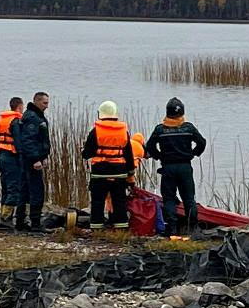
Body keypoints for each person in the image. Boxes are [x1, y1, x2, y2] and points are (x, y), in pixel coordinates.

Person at [145, 97, 206, 236]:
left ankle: (171, 229)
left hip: (168, 168)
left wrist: (159, 156)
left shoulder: (160, 130)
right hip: (185, 167)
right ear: (182, 113)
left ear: (167, 113)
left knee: (169, 199)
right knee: (189, 198)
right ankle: (192, 229)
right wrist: (193, 154)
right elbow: (202, 143)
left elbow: (150, 146)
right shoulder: (189, 128)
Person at [82, 101, 135, 231]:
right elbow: (129, 154)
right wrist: (130, 173)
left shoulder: (95, 131)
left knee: (97, 202)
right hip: (119, 172)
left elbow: (87, 154)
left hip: (100, 172)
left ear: (101, 114)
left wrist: (83, 151)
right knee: (119, 201)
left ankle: (97, 228)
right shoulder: (124, 131)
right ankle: (121, 228)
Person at [15, 92, 51, 232]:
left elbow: (40, 140)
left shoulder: (36, 116)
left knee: (24, 190)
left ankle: (20, 221)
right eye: (44, 103)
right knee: (37, 191)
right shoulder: (32, 117)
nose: (47, 106)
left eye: (47, 103)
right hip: (31, 161)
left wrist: (44, 156)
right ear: (36, 102)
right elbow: (28, 141)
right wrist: (36, 159)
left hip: (32, 159)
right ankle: (35, 224)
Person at [0, 96, 24, 221]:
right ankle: (6, 218)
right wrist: (22, 157)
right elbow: (17, 142)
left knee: (6, 187)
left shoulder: (3, 120)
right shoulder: (15, 121)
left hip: (2, 156)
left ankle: (3, 214)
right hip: (12, 157)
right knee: (14, 187)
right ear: (19, 106)